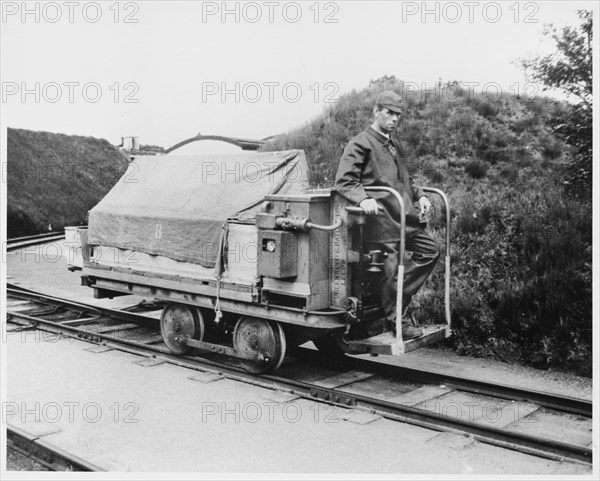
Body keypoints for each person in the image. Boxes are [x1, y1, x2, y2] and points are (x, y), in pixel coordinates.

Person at [334, 90, 440, 340]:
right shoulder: (360, 143)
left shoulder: (395, 144)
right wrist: (364, 199)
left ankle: (396, 298)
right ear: (376, 112)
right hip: (381, 223)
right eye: (390, 113)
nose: (395, 119)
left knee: (431, 251)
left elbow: (406, 178)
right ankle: (398, 322)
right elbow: (345, 181)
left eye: (398, 115)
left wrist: (420, 195)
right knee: (392, 271)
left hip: (405, 218)